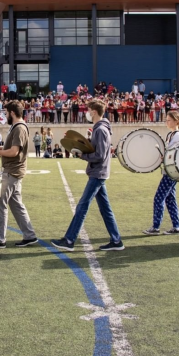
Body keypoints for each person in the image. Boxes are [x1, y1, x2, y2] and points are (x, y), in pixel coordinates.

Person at [51, 99, 125, 252]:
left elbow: (100, 155)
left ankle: (70, 239)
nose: (87, 113)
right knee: (105, 209)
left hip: (98, 173)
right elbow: (95, 149)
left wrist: (82, 156)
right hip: (98, 172)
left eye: (88, 110)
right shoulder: (99, 129)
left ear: (94, 111)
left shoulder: (101, 130)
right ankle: (116, 240)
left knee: (82, 206)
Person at [0, 100, 38, 249]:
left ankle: (0, 240)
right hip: (15, 171)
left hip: (11, 172)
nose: (6, 115)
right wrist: (3, 148)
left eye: (7, 113)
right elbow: (13, 148)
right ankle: (29, 235)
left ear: (12, 113)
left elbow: (14, 152)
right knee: (17, 205)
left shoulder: (19, 128)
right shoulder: (19, 127)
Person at [143, 111, 179, 236]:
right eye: (166, 120)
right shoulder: (171, 135)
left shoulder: (178, 136)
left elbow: (177, 154)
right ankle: (176, 226)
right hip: (169, 171)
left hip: (171, 172)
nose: (167, 122)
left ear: (176, 121)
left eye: (169, 120)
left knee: (159, 198)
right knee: (170, 199)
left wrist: (165, 155)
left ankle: (156, 227)